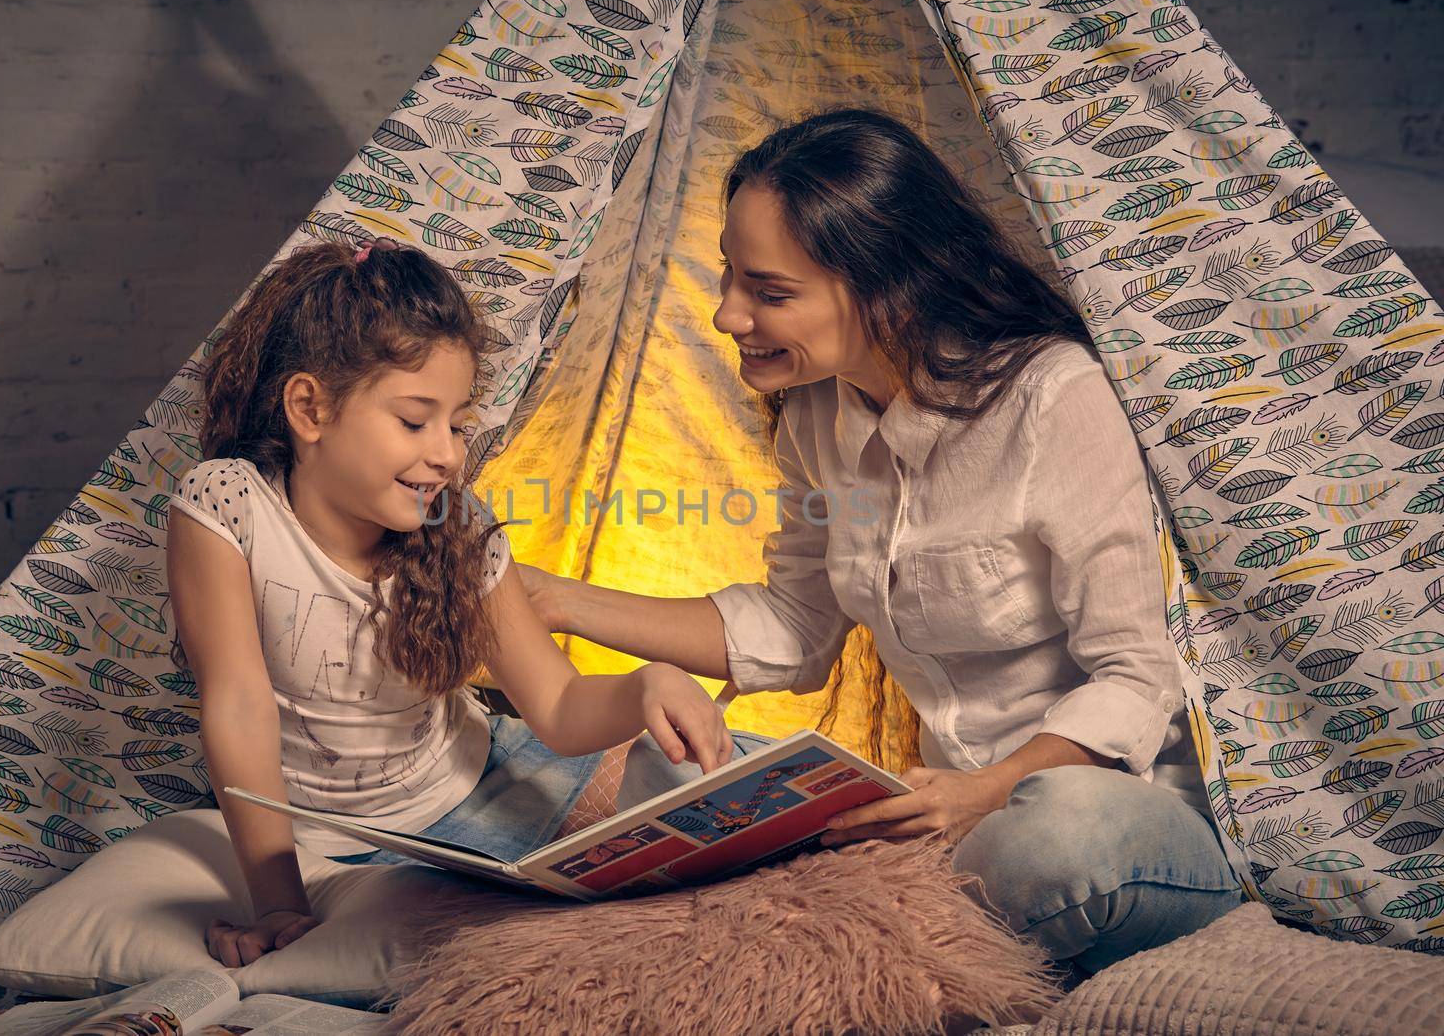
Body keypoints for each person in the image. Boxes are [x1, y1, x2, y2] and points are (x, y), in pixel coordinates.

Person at [520, 108, 1244, 974]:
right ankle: (854, 929)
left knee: (1051, 836)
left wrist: (984, 791)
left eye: (769, 291)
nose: (726, 316)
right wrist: (557, 599)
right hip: (938, 817)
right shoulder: (817, 414)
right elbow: (792, 629)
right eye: (729, 276)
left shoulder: (1054, 397)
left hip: (1116, 820)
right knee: (672, 773)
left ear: (888, 283)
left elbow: (1138, 675)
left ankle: (838, 936)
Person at [167, 236, 767, 968]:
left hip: (484, 779)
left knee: (746, 798)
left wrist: (648, 682)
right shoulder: (229, 506)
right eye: (416, 421)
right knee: (536, 953)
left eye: (455, 424)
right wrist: (282, 905)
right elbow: (237, 707)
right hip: (352, 846)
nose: (448, 454)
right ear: (309, 407)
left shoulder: (460, 522)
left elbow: (559, 704)